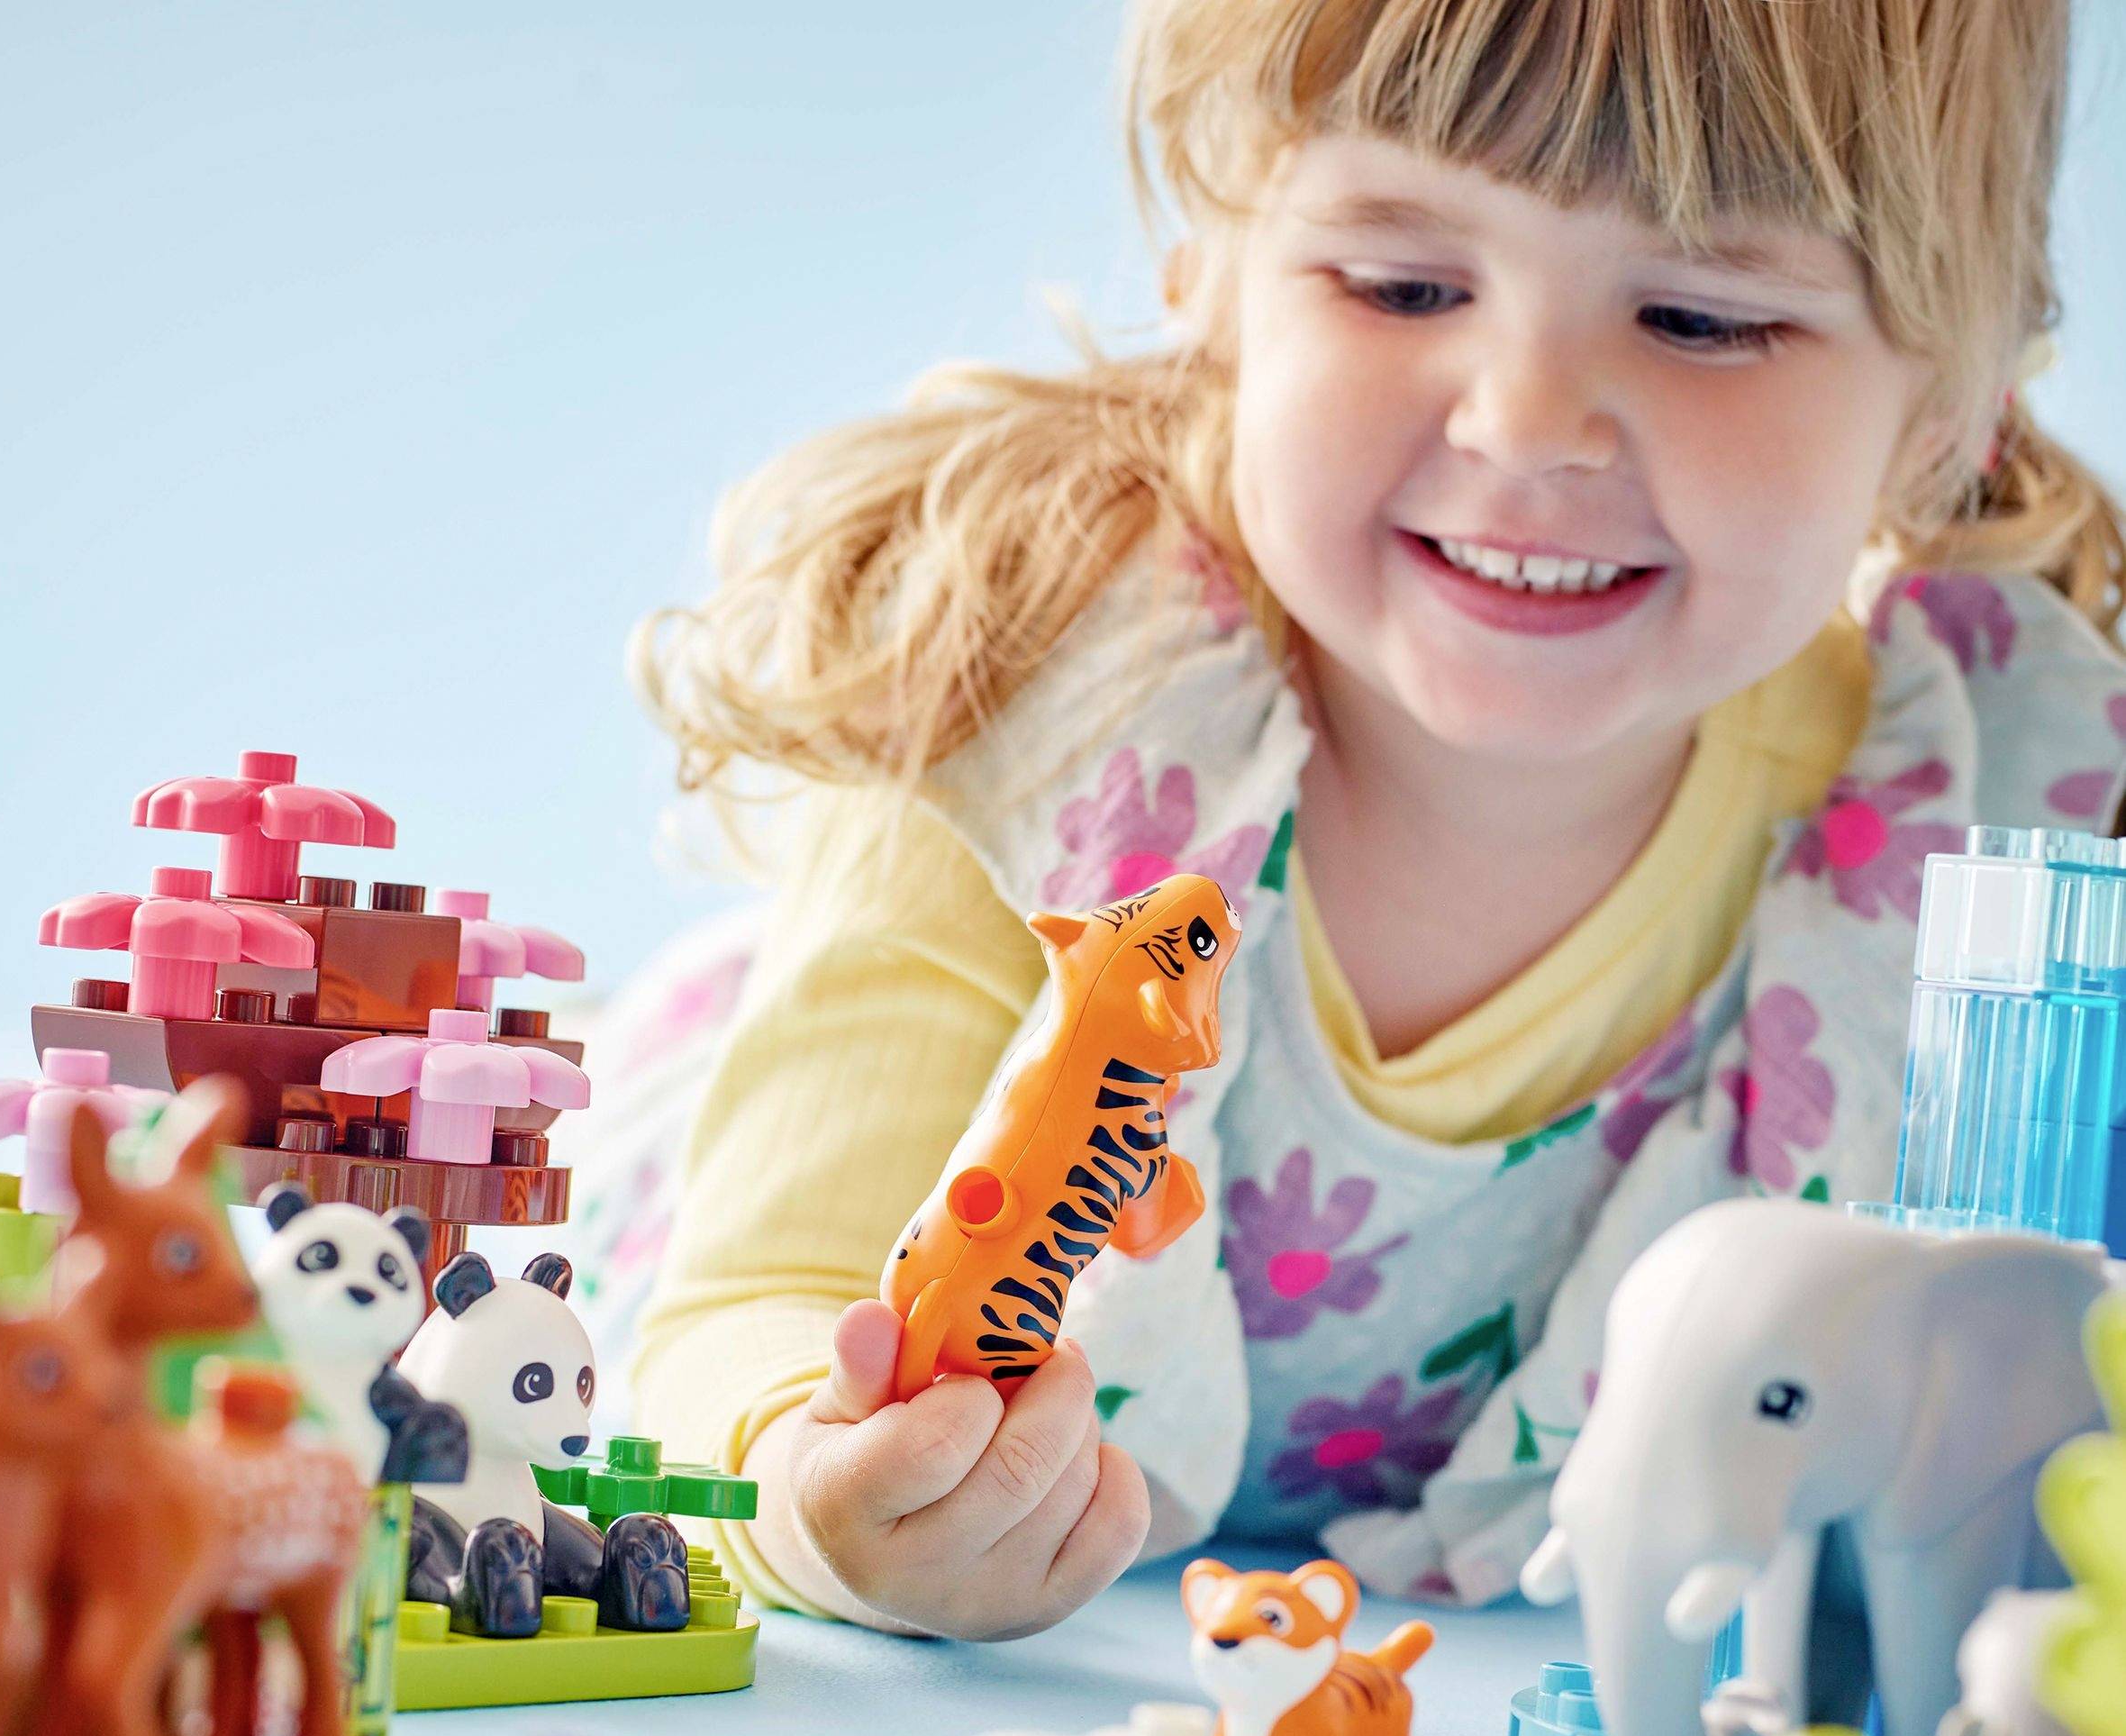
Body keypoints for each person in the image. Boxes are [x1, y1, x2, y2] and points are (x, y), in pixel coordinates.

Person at [570, 0, 2126, 1640]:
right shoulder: (1031, 703)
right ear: (1212, 280)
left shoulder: (1976, 835)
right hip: (665, 1184)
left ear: (1947, 408)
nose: (1524, 420)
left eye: (1700, 316)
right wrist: (834, 1508)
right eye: (1403, 286)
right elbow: (731, 1330)